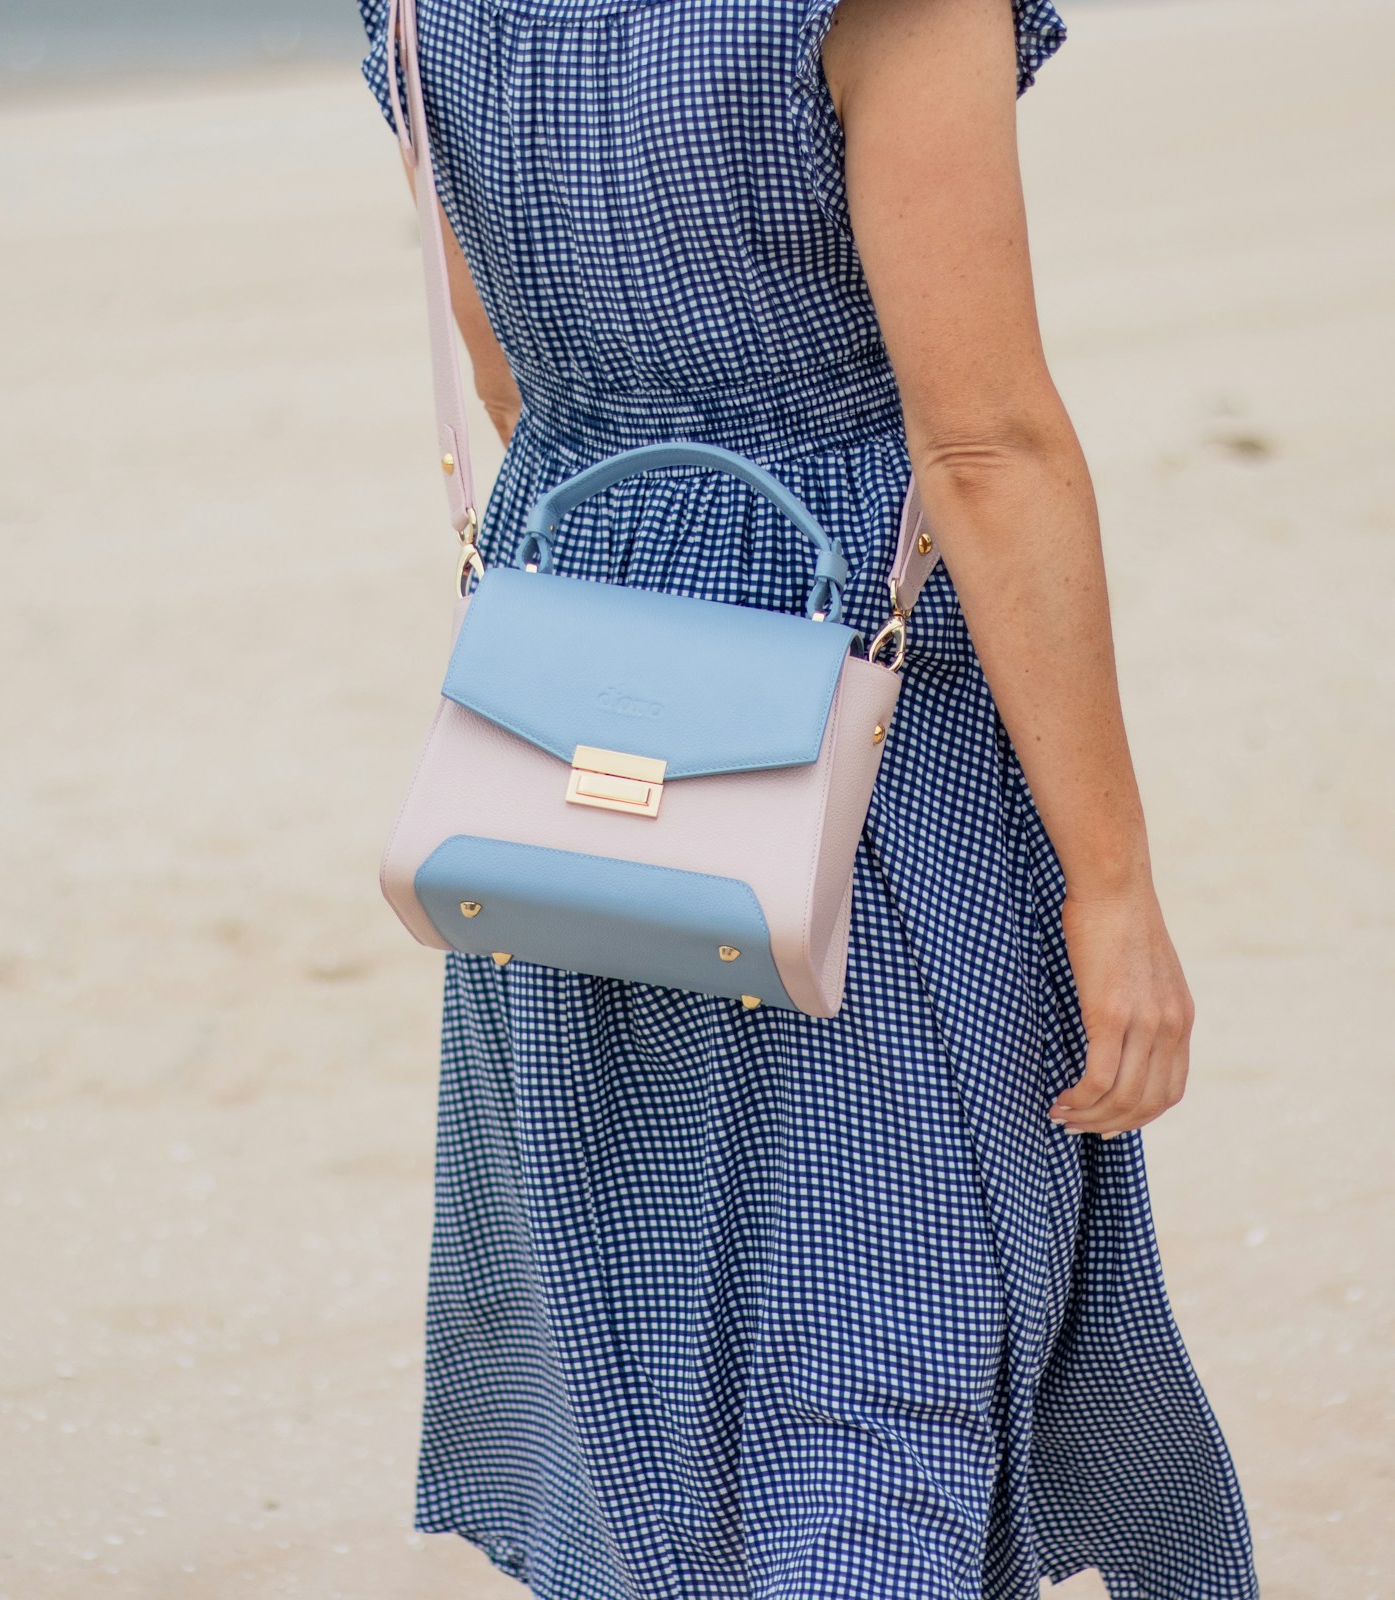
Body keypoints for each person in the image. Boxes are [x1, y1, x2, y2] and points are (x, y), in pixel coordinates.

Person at [357, 0, 1256, 1594]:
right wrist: (1112, 887)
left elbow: (505, 376)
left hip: (574, 701)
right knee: (891, 1352)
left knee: (646, 1368)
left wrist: (654, 562)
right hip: (854, 689)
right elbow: (982, 443)